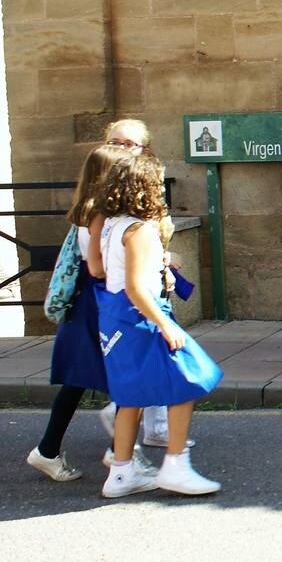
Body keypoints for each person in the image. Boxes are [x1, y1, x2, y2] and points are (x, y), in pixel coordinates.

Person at [96, 152, 223, 497]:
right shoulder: (138, 230)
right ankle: (176, 466)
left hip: (116, 319)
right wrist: (166, 327)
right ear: (145, 186)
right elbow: (136, 286)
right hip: (143, 319)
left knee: (130, 398)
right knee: (187, 381)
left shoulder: (113, 224)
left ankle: (121, 474)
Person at [25, 143, 131, 482]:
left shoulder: (88, 209)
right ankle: (119, 455)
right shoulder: (100, 213)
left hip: (89, 299)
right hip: (97, 298)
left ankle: (53, 449)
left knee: (84, 379)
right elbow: (99, 267)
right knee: (119, 372)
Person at [95, 119, 186, 450]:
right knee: (163, 375)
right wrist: (163, 322)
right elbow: (113, 272)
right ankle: (136, 459)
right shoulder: (125, 222)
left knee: (144, 375)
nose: (122, 149)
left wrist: (163, 262)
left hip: (136, 299)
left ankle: (128, 457)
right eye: (116, 142)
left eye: (129, 144)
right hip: (134, 306)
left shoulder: (130, 217)